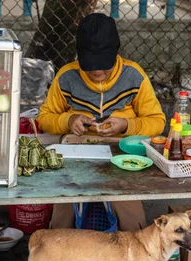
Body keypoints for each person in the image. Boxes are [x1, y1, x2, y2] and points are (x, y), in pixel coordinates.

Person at [37, 13, 166, 231]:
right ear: (79, 54)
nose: (98, 70)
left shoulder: (134, 76)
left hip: (122, 156)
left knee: (130, 215)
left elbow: (157, 122)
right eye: (91, 64)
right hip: (76, 155)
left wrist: (126, 126)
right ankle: (58, 255)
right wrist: (69, 120)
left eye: (104, 64)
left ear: (117, 52)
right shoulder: (66, 77)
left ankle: (134, 258)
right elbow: (44, 118)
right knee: (64, 208)